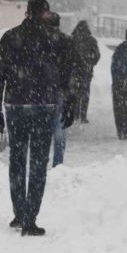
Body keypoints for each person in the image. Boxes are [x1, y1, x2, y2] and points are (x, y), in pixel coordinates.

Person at [0, 0, 75, 236]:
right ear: (46, 14)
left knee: (17, 158)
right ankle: (30, 218)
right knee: (38, 163)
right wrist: (70, 105)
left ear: (27, 12)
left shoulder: (10, 38)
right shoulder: (58, 41)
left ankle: (19, 212)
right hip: (44, 106)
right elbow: (68, 77)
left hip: (16, 105)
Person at [45, 12, 78, 167]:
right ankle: (58, 163)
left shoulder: (39, 41)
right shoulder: (68, 41)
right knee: (59, 126)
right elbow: (72, 70)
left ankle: (40, 160)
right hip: (61, 89)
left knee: (41, 126)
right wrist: (72, 98)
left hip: (41, 90)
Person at [71, 20, 100, 123]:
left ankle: (75, 114)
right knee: (85, 92)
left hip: (73, 70)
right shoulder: (91, 40)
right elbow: (97, 55)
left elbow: (67, 55)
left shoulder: (72, 39)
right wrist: (91, 63)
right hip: (86, 70)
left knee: (74, 92)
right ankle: (83, 116)